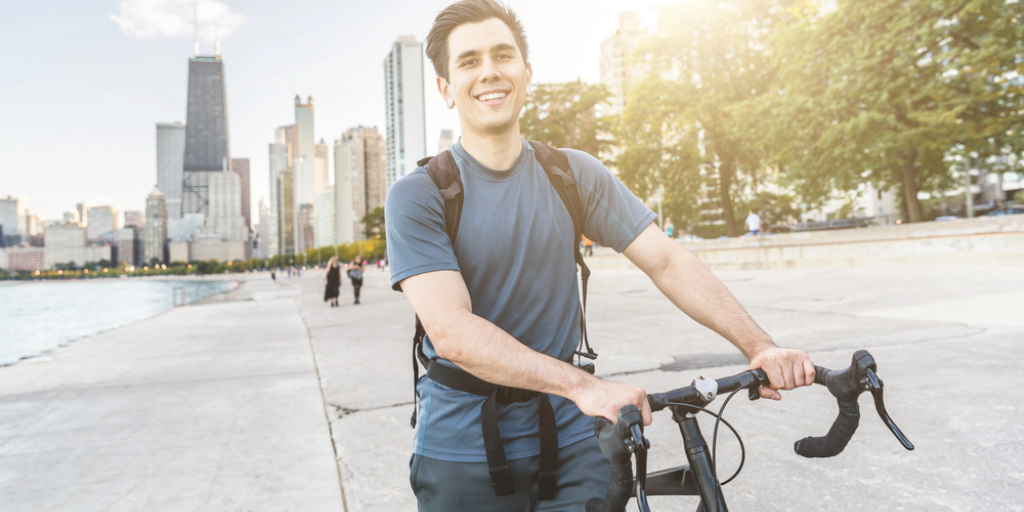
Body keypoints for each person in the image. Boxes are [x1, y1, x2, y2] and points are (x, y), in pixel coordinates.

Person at [385, 2, 815, 509]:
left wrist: (759, 346)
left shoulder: (573, 175)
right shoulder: (421, 194)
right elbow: (451, 331)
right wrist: (583, 386)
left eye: (503, 55)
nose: (489, 72)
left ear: (527, 73)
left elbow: (667, 261)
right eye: (469, 61)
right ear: (445, 89)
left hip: (571, 440)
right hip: (462, 448)